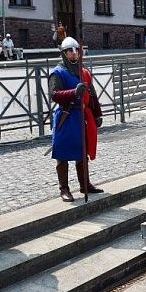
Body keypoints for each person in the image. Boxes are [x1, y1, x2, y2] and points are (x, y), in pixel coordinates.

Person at [49, 37, 104, 202]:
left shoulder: (84, 72)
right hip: (66, 116)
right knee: (62, 154)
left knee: (82, 152)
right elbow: (54, 95)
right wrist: (73, 92)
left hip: (82, 116)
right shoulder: (58, 72)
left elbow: (92, 95)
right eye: (70, 51)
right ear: (64, 53)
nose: (74, 53)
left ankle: (85, 184)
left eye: (76, 50)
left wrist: (97, 114)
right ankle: (64, 189)